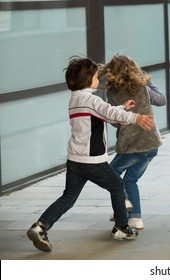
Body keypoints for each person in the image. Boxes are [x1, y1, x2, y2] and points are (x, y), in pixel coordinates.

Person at [26, 55, 154, 252]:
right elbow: (109, 113)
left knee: (68, 197)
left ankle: (40, 227)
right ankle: (121, 227)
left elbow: (102, 111)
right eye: (95, 76)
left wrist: (121, 107)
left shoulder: (76, 99)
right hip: (91, 161)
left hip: (74, 160)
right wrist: (135, 117)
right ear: (87, 80)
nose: (98, 79)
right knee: (118, 186)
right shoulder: (90, 99)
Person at [100, 54, 166, 230]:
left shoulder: (112, 92)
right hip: (151, 144)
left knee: (111, 173)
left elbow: (114, 120)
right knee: (130, 180)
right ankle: (135, 217)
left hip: (131, 145)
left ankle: (122, 204)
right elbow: (162, 100)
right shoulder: (141, 87)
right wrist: (147, 82)